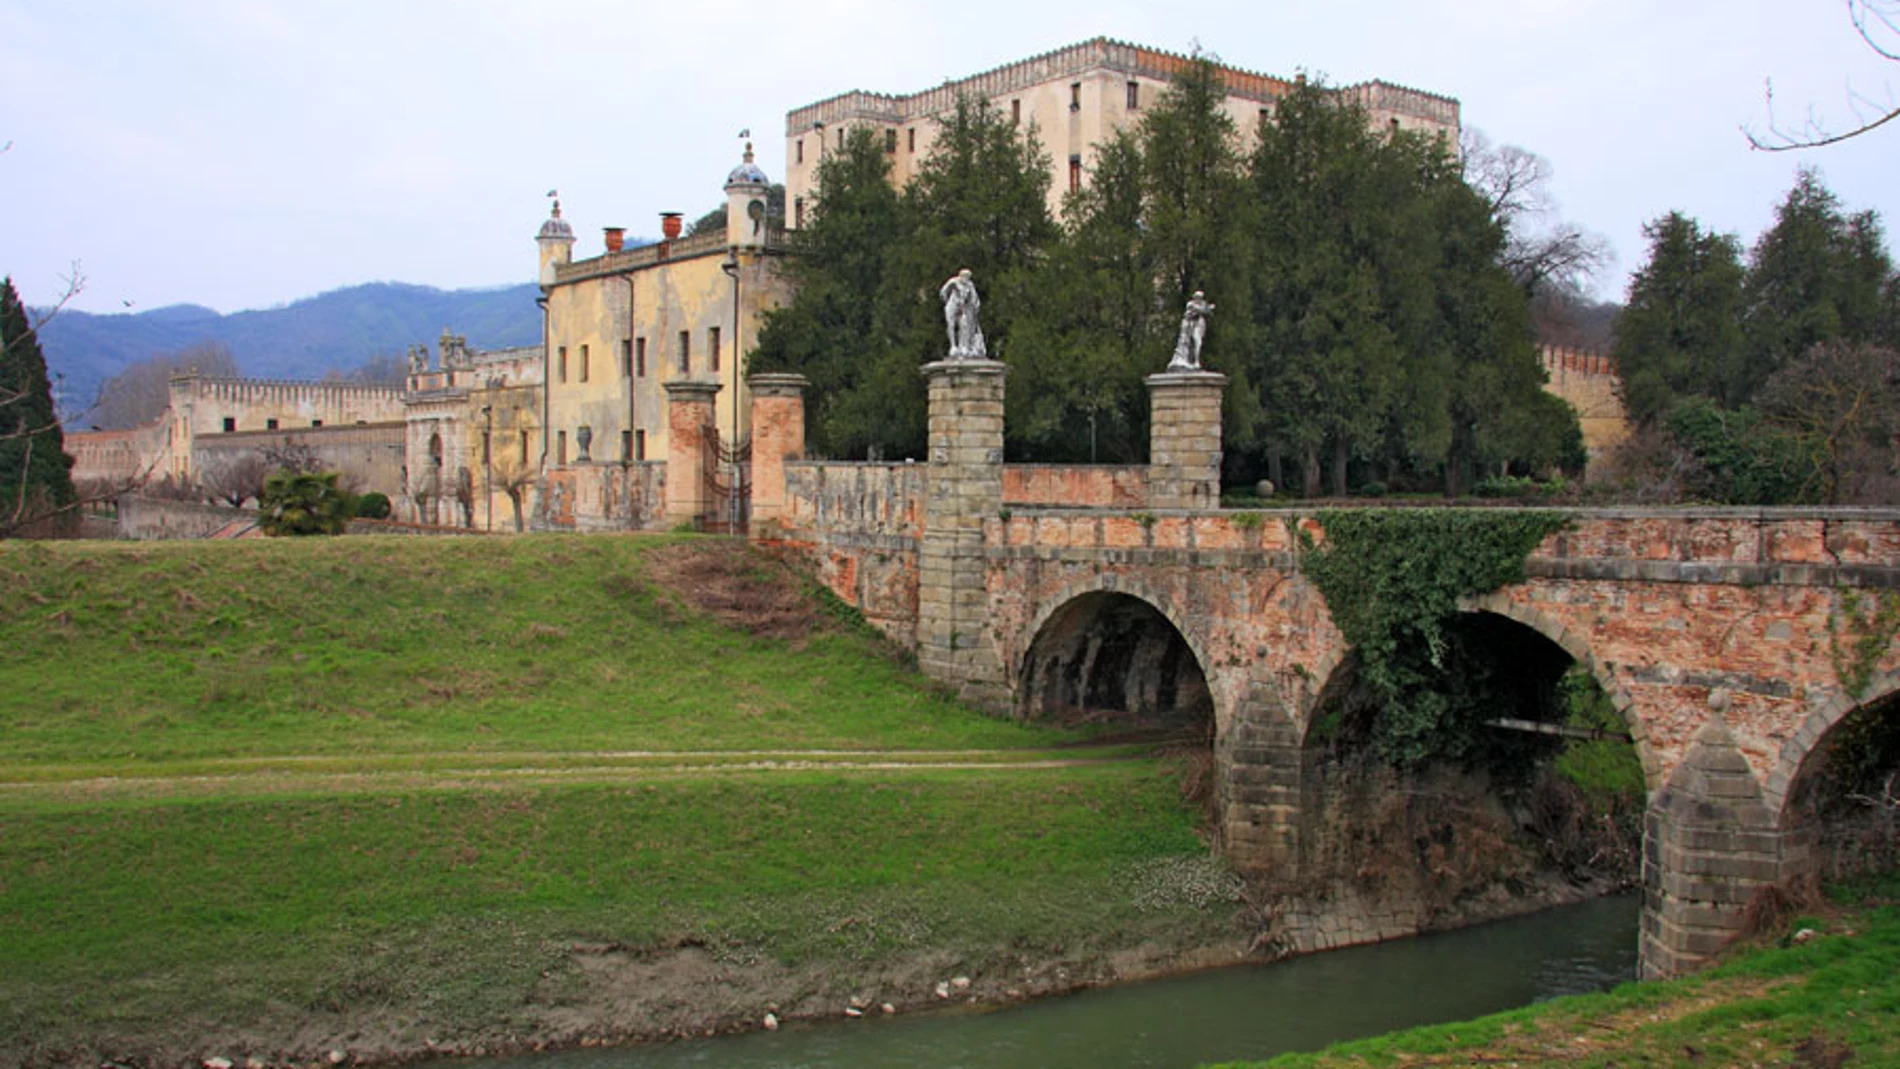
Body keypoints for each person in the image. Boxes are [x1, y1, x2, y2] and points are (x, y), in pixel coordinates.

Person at [939, 269, 986, 359]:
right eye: (965, 276)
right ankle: (953, 346)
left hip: (963, 307)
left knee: (964, 325)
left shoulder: (969, 285)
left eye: (968, 277)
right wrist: (947, 301)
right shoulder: (953, 282)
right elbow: (943, 292)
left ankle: (964, 346)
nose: (966, 279)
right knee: (951, 325)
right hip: (952, 305)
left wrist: (974, 305)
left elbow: (974, 298)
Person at [1168, 291, 1215, 370]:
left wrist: (1207, 309)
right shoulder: (1191, 304)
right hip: (1189, 327)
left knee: (1197, 342)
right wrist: (1208, 308)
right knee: (1188, 342)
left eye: (1200, 298)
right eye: (1197, 297)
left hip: (1198, 326)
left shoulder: (1202, 304)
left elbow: (1207, 312)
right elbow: (1201, 310)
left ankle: (1195, 361)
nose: (1198, 299)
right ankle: (1189, 360)